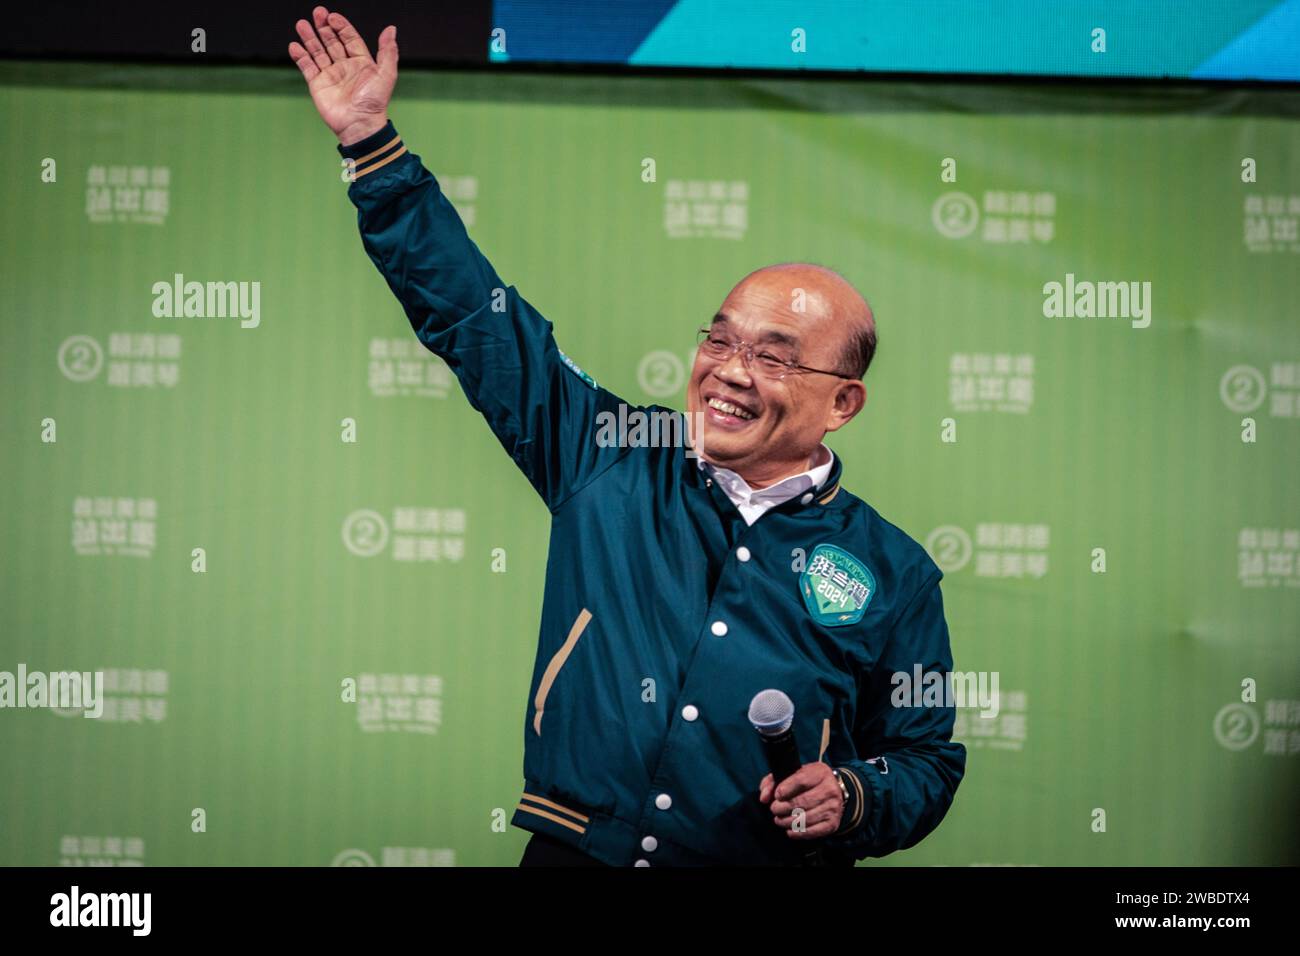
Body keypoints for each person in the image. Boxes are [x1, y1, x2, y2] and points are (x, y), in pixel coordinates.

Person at [290, 6, 966, 867]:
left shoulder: (898, 572)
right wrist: (373, 151)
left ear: (844, 404)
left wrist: (855, 794)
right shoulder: (608, 449)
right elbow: (475, 317)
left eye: (774, 356)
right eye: (719, 338)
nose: (729, 369)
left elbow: (927, 760)